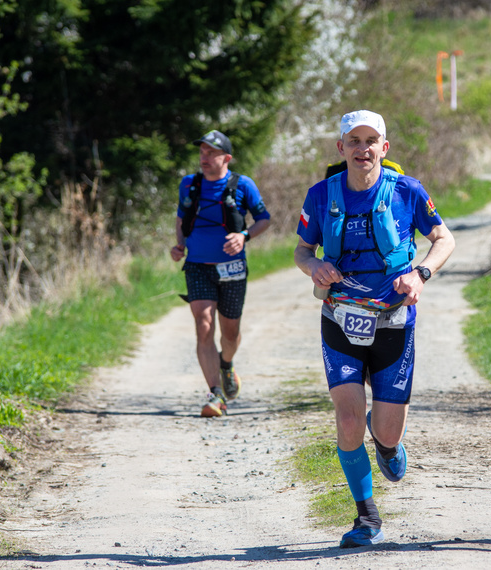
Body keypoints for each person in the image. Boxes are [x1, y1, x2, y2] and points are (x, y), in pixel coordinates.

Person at [294, 110, 455, 548]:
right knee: (347, 420)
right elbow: (302, 250)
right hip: (340, 318)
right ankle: (366, 517)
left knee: (385, 432)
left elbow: (444, 239)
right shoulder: (320, 195)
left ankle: (385, 444)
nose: (362, 149)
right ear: (341, 148)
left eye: (371, 141)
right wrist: (315, 267)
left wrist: (420, 274)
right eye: (354, 141)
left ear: (384, 148)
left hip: (393, 320)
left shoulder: (407, 190)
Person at [170, 130, 271, 417]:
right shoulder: (189, 184)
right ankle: (215, 394)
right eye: (202, 152)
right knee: (203, 325)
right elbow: (181, 218)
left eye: (211, 153)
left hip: (233, 268)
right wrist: (179, 245)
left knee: (230, 332)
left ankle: (226, 363)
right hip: (198, 266)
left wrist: (244, 236)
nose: (204, 157)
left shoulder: (243, 184)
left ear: (226, 158)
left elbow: (264, 219)